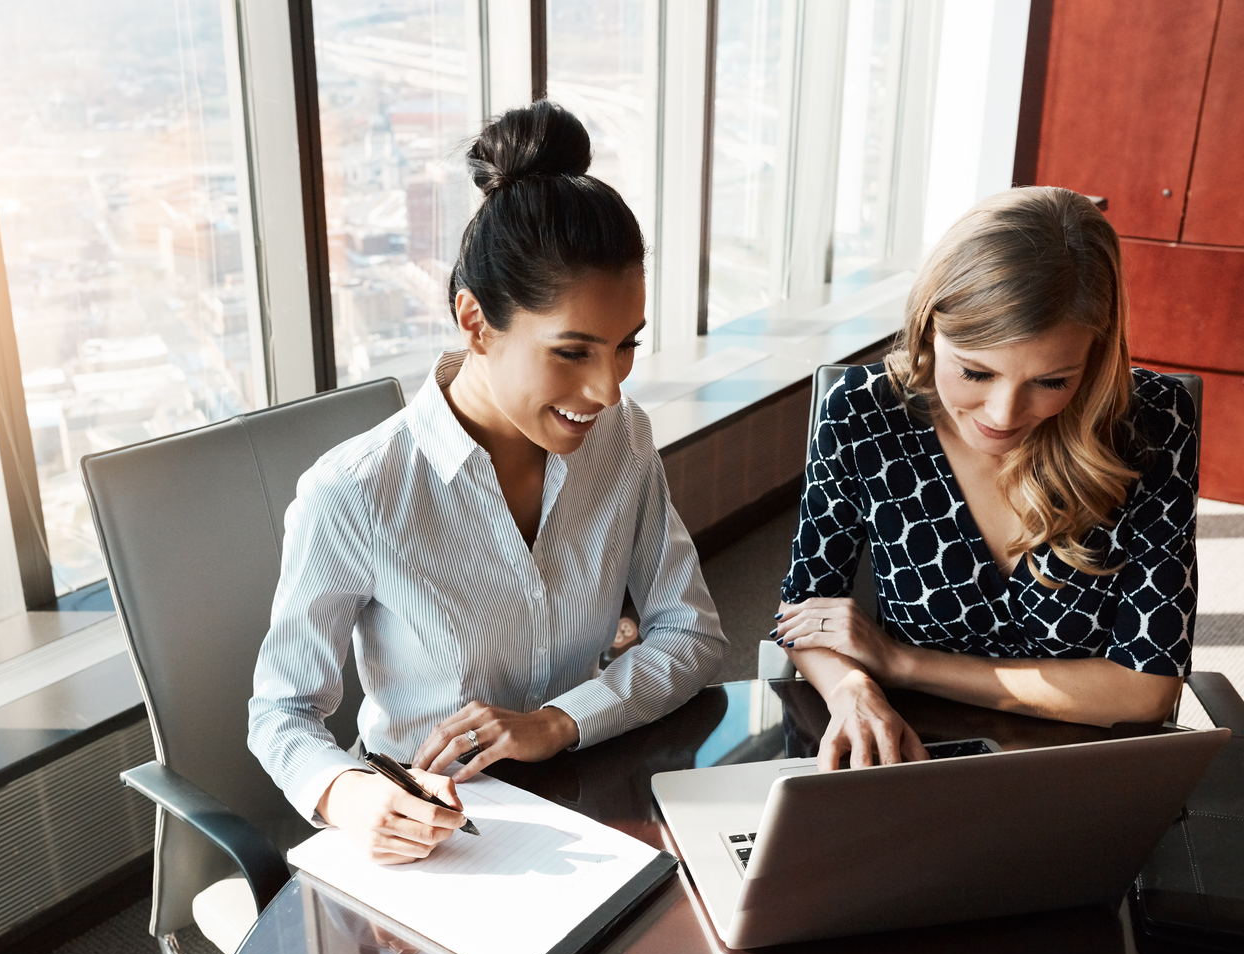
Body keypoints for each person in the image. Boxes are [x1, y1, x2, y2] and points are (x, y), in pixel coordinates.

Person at [248, 101, 728, 863]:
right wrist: (351, 794)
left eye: (625, 346)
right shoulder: (356, 494)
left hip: (596, 794)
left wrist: (559, 721)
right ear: (474, 322)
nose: (607, 389)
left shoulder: (622, 436)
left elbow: (691, 632)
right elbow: (282, 712)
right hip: (442, 837)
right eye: (572, 352)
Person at [772, 186, 1197, 770]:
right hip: (908, 755)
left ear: (1093, 360)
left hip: (1083, 768)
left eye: (1051, 381)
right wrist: (852, 687)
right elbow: (807, 609)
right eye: (976, 371)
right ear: (929, 329)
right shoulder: (864, 413)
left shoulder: (1151, 421)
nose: (1003, 414)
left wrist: (902, 664)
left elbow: (1147, 691)